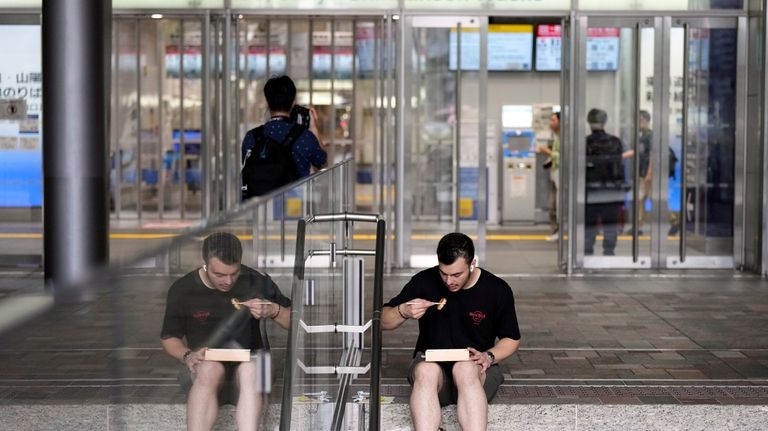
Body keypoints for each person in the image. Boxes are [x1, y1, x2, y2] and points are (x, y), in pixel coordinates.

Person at [382, 233, 521, 431]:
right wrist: (403, 310)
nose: (449, 281)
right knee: (425, 370)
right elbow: (383, 321)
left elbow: (512, 339)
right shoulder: (424, 281)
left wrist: (489, 356)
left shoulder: (497, 289)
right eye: (443, 273)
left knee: (464, 368)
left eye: (457, 275)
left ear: (472, 263)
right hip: (435, 373)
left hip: (476, 372)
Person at [160, 232, 291, 431]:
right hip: (205, 367)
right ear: (204, 263)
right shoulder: (182, 289)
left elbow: (294, 321)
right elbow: (170, 338)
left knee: (251, 369)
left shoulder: (255, 280)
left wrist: (274, 310)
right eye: (219, 275)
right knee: (209, 368)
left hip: (254, 364)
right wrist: (188, 356)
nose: (228, 281)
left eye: (234, 273)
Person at [241, 75, 328, 198]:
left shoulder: (252, 137)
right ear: (293, 102)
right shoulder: (305, 137)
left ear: (267, 102)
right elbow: (323, 164)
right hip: (294, 208)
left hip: (259, 209)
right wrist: (314, 128)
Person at [585, 108, 626, 256]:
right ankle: (609, 250)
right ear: (605, 122)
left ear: (589, 122)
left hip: (590, 190)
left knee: (589, 221)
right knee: (610, 223)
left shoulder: (586, 142)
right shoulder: (615, 142)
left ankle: (587, 250)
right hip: (611, 189)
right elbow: (619, 168)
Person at [536, 112, 561, 242]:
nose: (550, 123)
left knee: (558, 204)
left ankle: (559, 232)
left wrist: (548, 152)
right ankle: (556, 231)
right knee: (553, 204)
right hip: (555, 176)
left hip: (561, 177)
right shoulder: (557, 137)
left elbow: (563, 156)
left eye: (553, 120)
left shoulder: (564, 138)